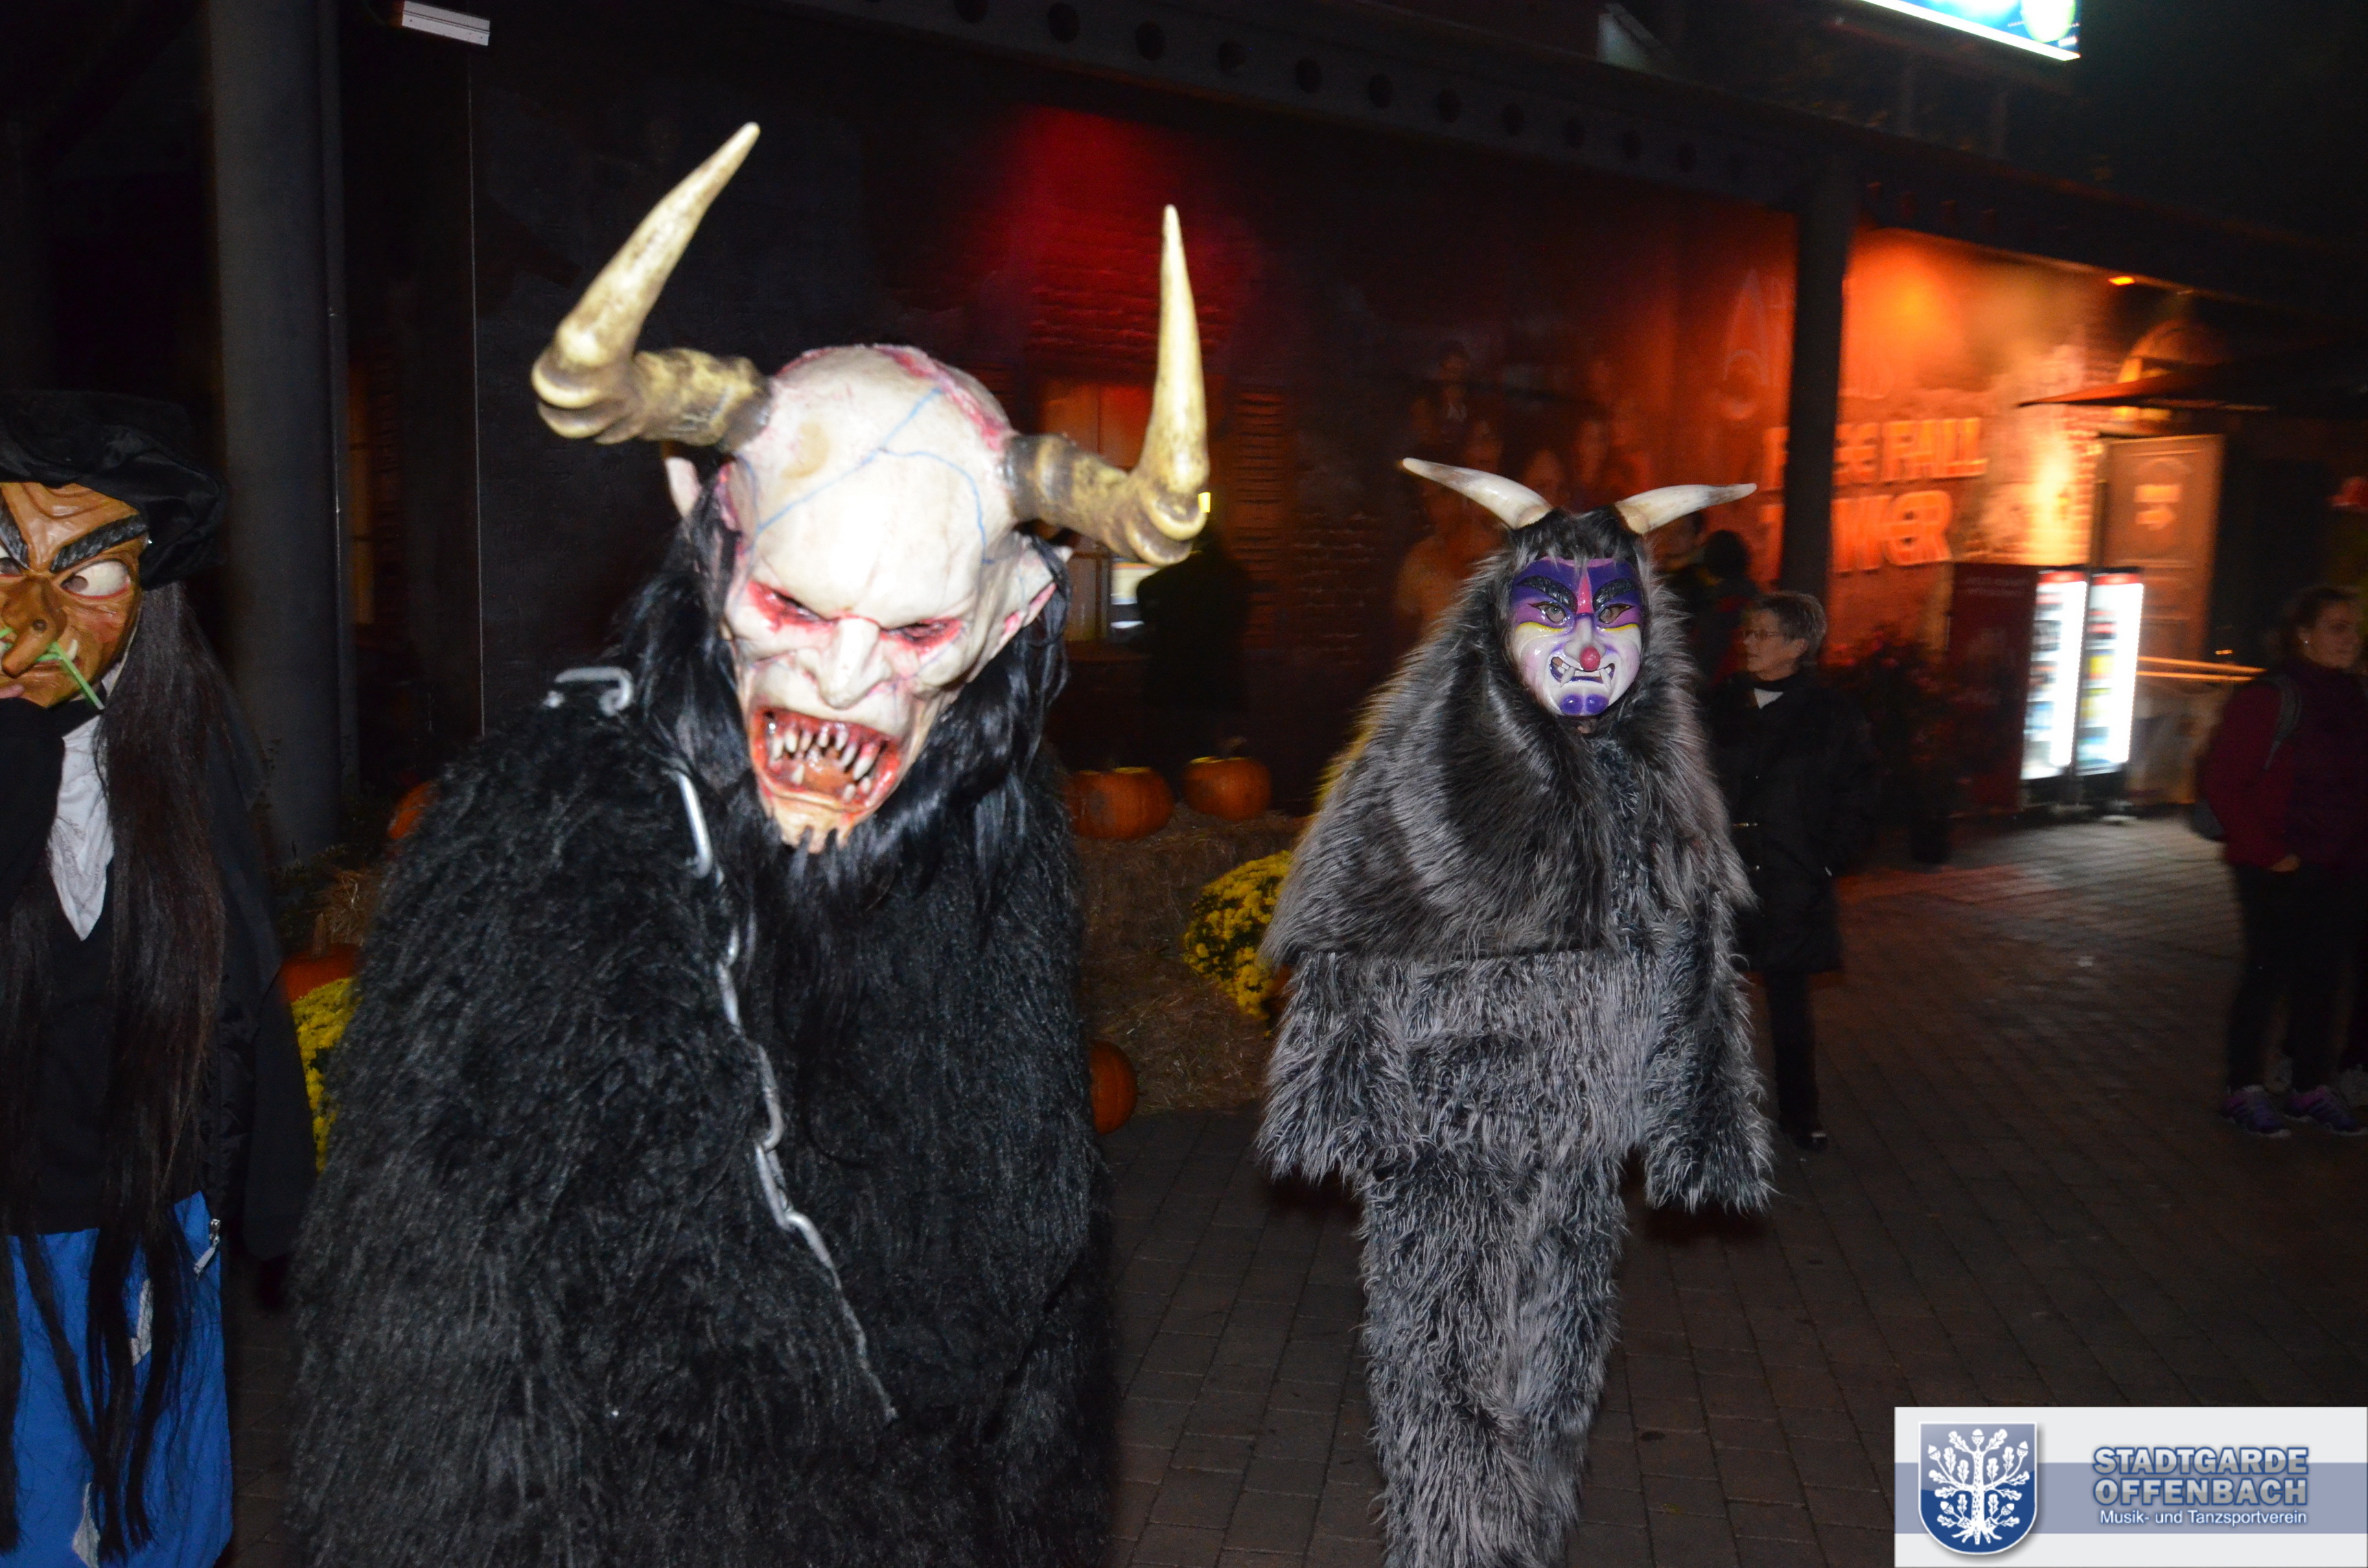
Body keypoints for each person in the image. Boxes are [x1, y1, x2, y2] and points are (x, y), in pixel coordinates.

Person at [288, 131, 1212, 1565]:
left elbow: (1023, 1268)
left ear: (1012, 614)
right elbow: (426, 1328)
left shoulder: (996, 827)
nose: (841, 683)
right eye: (794, 606)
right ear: (708, 533)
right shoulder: (541, 842)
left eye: (913, 631)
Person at [1261, 460, 1769, 1568]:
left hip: (1587, 1140)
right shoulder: (1428, 762)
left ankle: (1525, 1543)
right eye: (1552, 613)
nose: (1587, 645)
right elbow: (1343, 919)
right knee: (1448, 1370)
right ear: (1498, 627)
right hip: (1450, 1135)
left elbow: (1694, 944)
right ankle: (1454, 1553)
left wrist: (1699, 1115)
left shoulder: (1652, 774)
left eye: (1613, 615)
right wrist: (1344, 1091)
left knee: (1556, 1361)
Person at [0, 393, 314, 1566]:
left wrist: (270, 1200)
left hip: (157, 1211)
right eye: (4, 560)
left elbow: (239, 981)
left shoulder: (184, 751)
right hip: (17, 1223)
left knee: (162, 1510)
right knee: (40, 1505)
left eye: (86, 575)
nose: (34, 612)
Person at [1705, 592, 1880, 1154]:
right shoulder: (1717, 704)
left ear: (1798, 645)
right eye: (1748, 632)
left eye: (1763, 633)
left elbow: (1860, 794)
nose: (1749, 642)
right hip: (1722, 878)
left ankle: (1801, 1113)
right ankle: (1712, 1113)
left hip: (1790, 878)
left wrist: (1828, 859)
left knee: (1788, 1004)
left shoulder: (1832, 715)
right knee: (1710, 1004)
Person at [2200, 585, 2368, 1137]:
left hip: (2339, 864)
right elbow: (2224, 781)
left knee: (2322, 978)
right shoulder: (2272, 696)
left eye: (2353, 627)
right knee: (2266, 974)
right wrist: (2272, 853)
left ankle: (2309, 1086)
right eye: (2337, 626)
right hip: (2277, 862)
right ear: (2304, 634)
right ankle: (2242, 1088)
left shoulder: (2351, 695)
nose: (2350, 638)